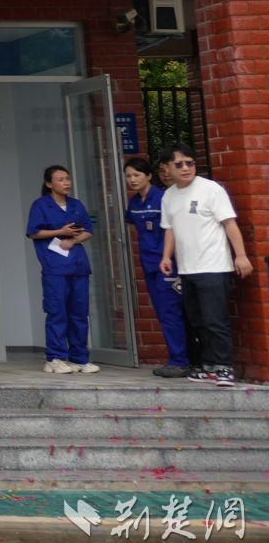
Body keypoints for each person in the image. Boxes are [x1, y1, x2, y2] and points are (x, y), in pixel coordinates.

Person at [157, 144, 254, 387]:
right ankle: (209, 366)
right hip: (187, 268)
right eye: (179, 164)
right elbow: (170, 229)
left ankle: (224, 367)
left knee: (215, 320)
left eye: (189, 163)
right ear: (167, 168)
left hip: (214, 266)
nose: (185, 168)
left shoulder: (211, 189)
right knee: (197, 320)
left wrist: (241, 256)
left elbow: (230, 224)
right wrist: (166, 256)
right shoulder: (169, 196)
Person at [25, 164, 99, 374]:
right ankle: (55, 358)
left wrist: (74, 240)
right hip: (55, 267)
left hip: (78, 265)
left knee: (79, 313)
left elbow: (88, 230)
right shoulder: (41, 205)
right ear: (49, 184)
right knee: (57, 312)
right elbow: (33, 232)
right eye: (60, 179)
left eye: (67, 178)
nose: (66, 183)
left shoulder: (76, 204)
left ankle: (79, 358)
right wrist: (60, 231)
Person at [123, 155, 191, 378]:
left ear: (149, 176)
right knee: (163, 312)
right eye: (128, 176)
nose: (132, 180)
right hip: (149, 264)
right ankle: (177, 358)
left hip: (167, 265)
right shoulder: (134, 202)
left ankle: (181, 361)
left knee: (171, 312)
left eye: (136, 175)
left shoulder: (163, 198)